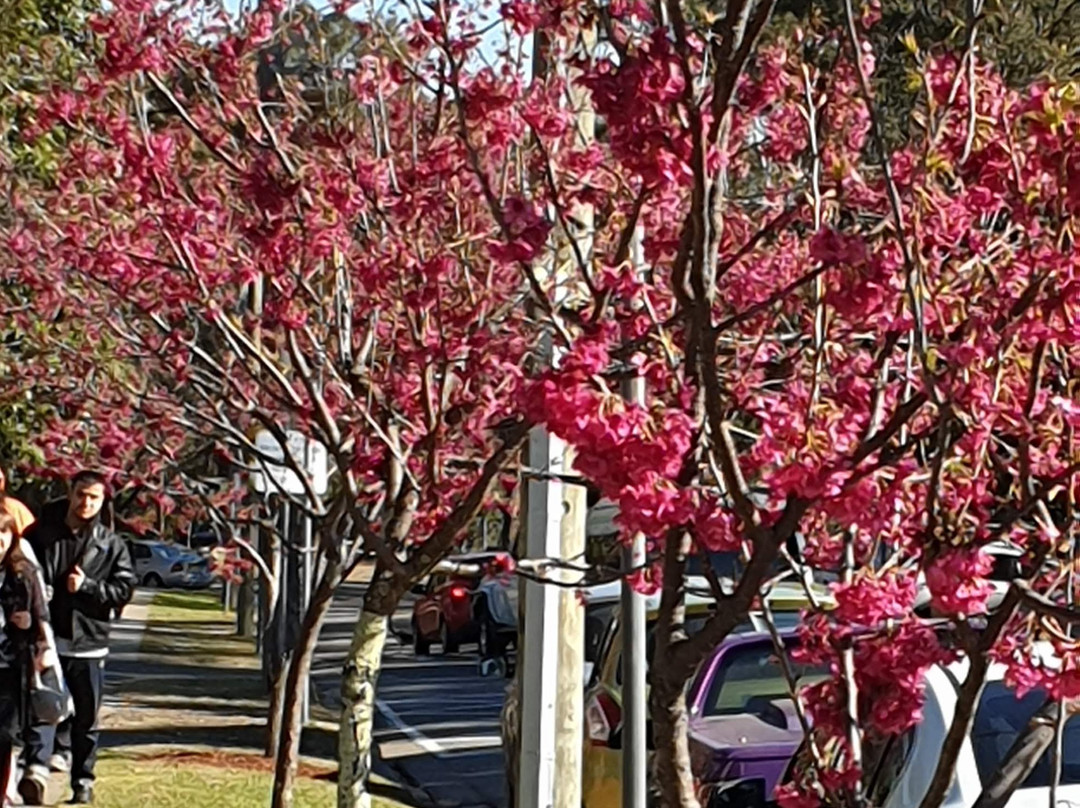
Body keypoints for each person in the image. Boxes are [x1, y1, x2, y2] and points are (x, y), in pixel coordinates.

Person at [19, 471, 135, 806]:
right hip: (46, 639)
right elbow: (18, 570)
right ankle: (36, 772)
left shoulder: (111, 544)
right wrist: (34, 595)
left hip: (89, 641)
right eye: (81, 494)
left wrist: (87, 587)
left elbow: (124, 588)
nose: (86, 503)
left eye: (94, 497)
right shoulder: (40, 535)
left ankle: (82, 782)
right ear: (71, 493)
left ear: (102, 501)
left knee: (86, 718)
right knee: (42, 707)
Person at [0, 511, 53, 807]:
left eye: (3, 534)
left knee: (3, 735)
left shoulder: (23, 573)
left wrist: (28, 623)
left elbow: (42, 617)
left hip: (10, 666)